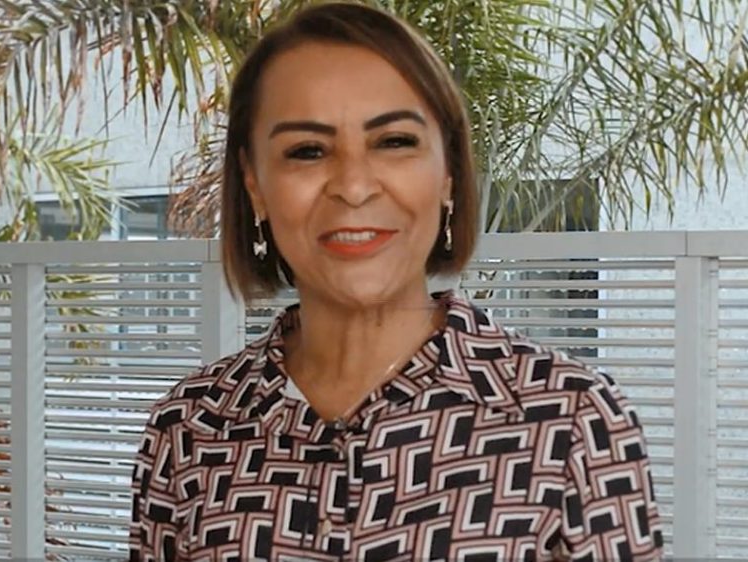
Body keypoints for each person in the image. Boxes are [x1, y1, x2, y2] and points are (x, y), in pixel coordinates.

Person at [130, 3, 664, 560]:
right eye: (307, 151)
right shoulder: (189, 427)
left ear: (449, 170)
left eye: (394, 142)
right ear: (254, 184)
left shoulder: (573, 421)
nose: (354, 186)